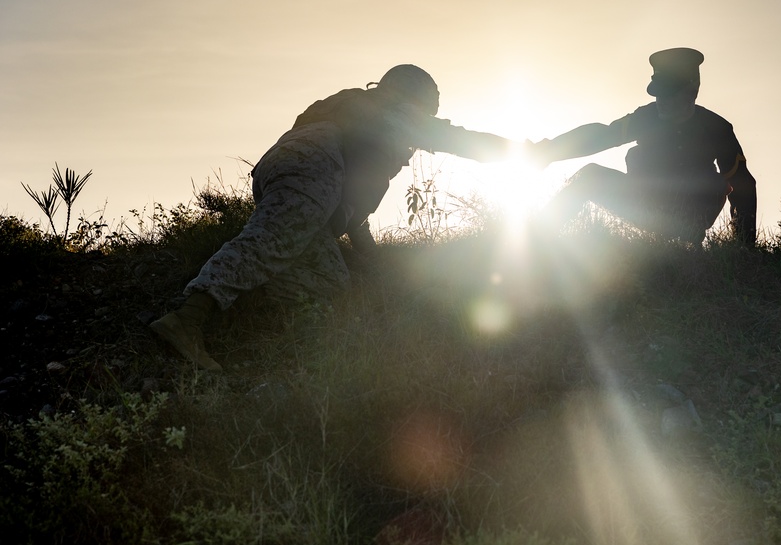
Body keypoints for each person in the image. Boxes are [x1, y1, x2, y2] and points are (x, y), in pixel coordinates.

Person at [150, 64, 518, 370]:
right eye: (430, 104)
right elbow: (458, 139)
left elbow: (354, 214)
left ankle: (240, 297)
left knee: (329, 282)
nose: (430, 114)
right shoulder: (392, 109)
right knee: (275, 237)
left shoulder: (366, 114)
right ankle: (188, 318)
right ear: (413, 95)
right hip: (315, 159)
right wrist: (532, 153)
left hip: (298, 166)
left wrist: (374, 259)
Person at [532, 47, 757, 247]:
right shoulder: (646, 117)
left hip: (690, 217)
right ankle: (536, 242)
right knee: (590, 176)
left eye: (669, 95)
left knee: (719, 182)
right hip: (647, 205)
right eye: (658, 94)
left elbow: (743, 185)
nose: (661, 101)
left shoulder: (717, 128)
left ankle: (686, 244)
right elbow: (602, 135)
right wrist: (550, 150)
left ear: (691, 92)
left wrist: (744, 249)